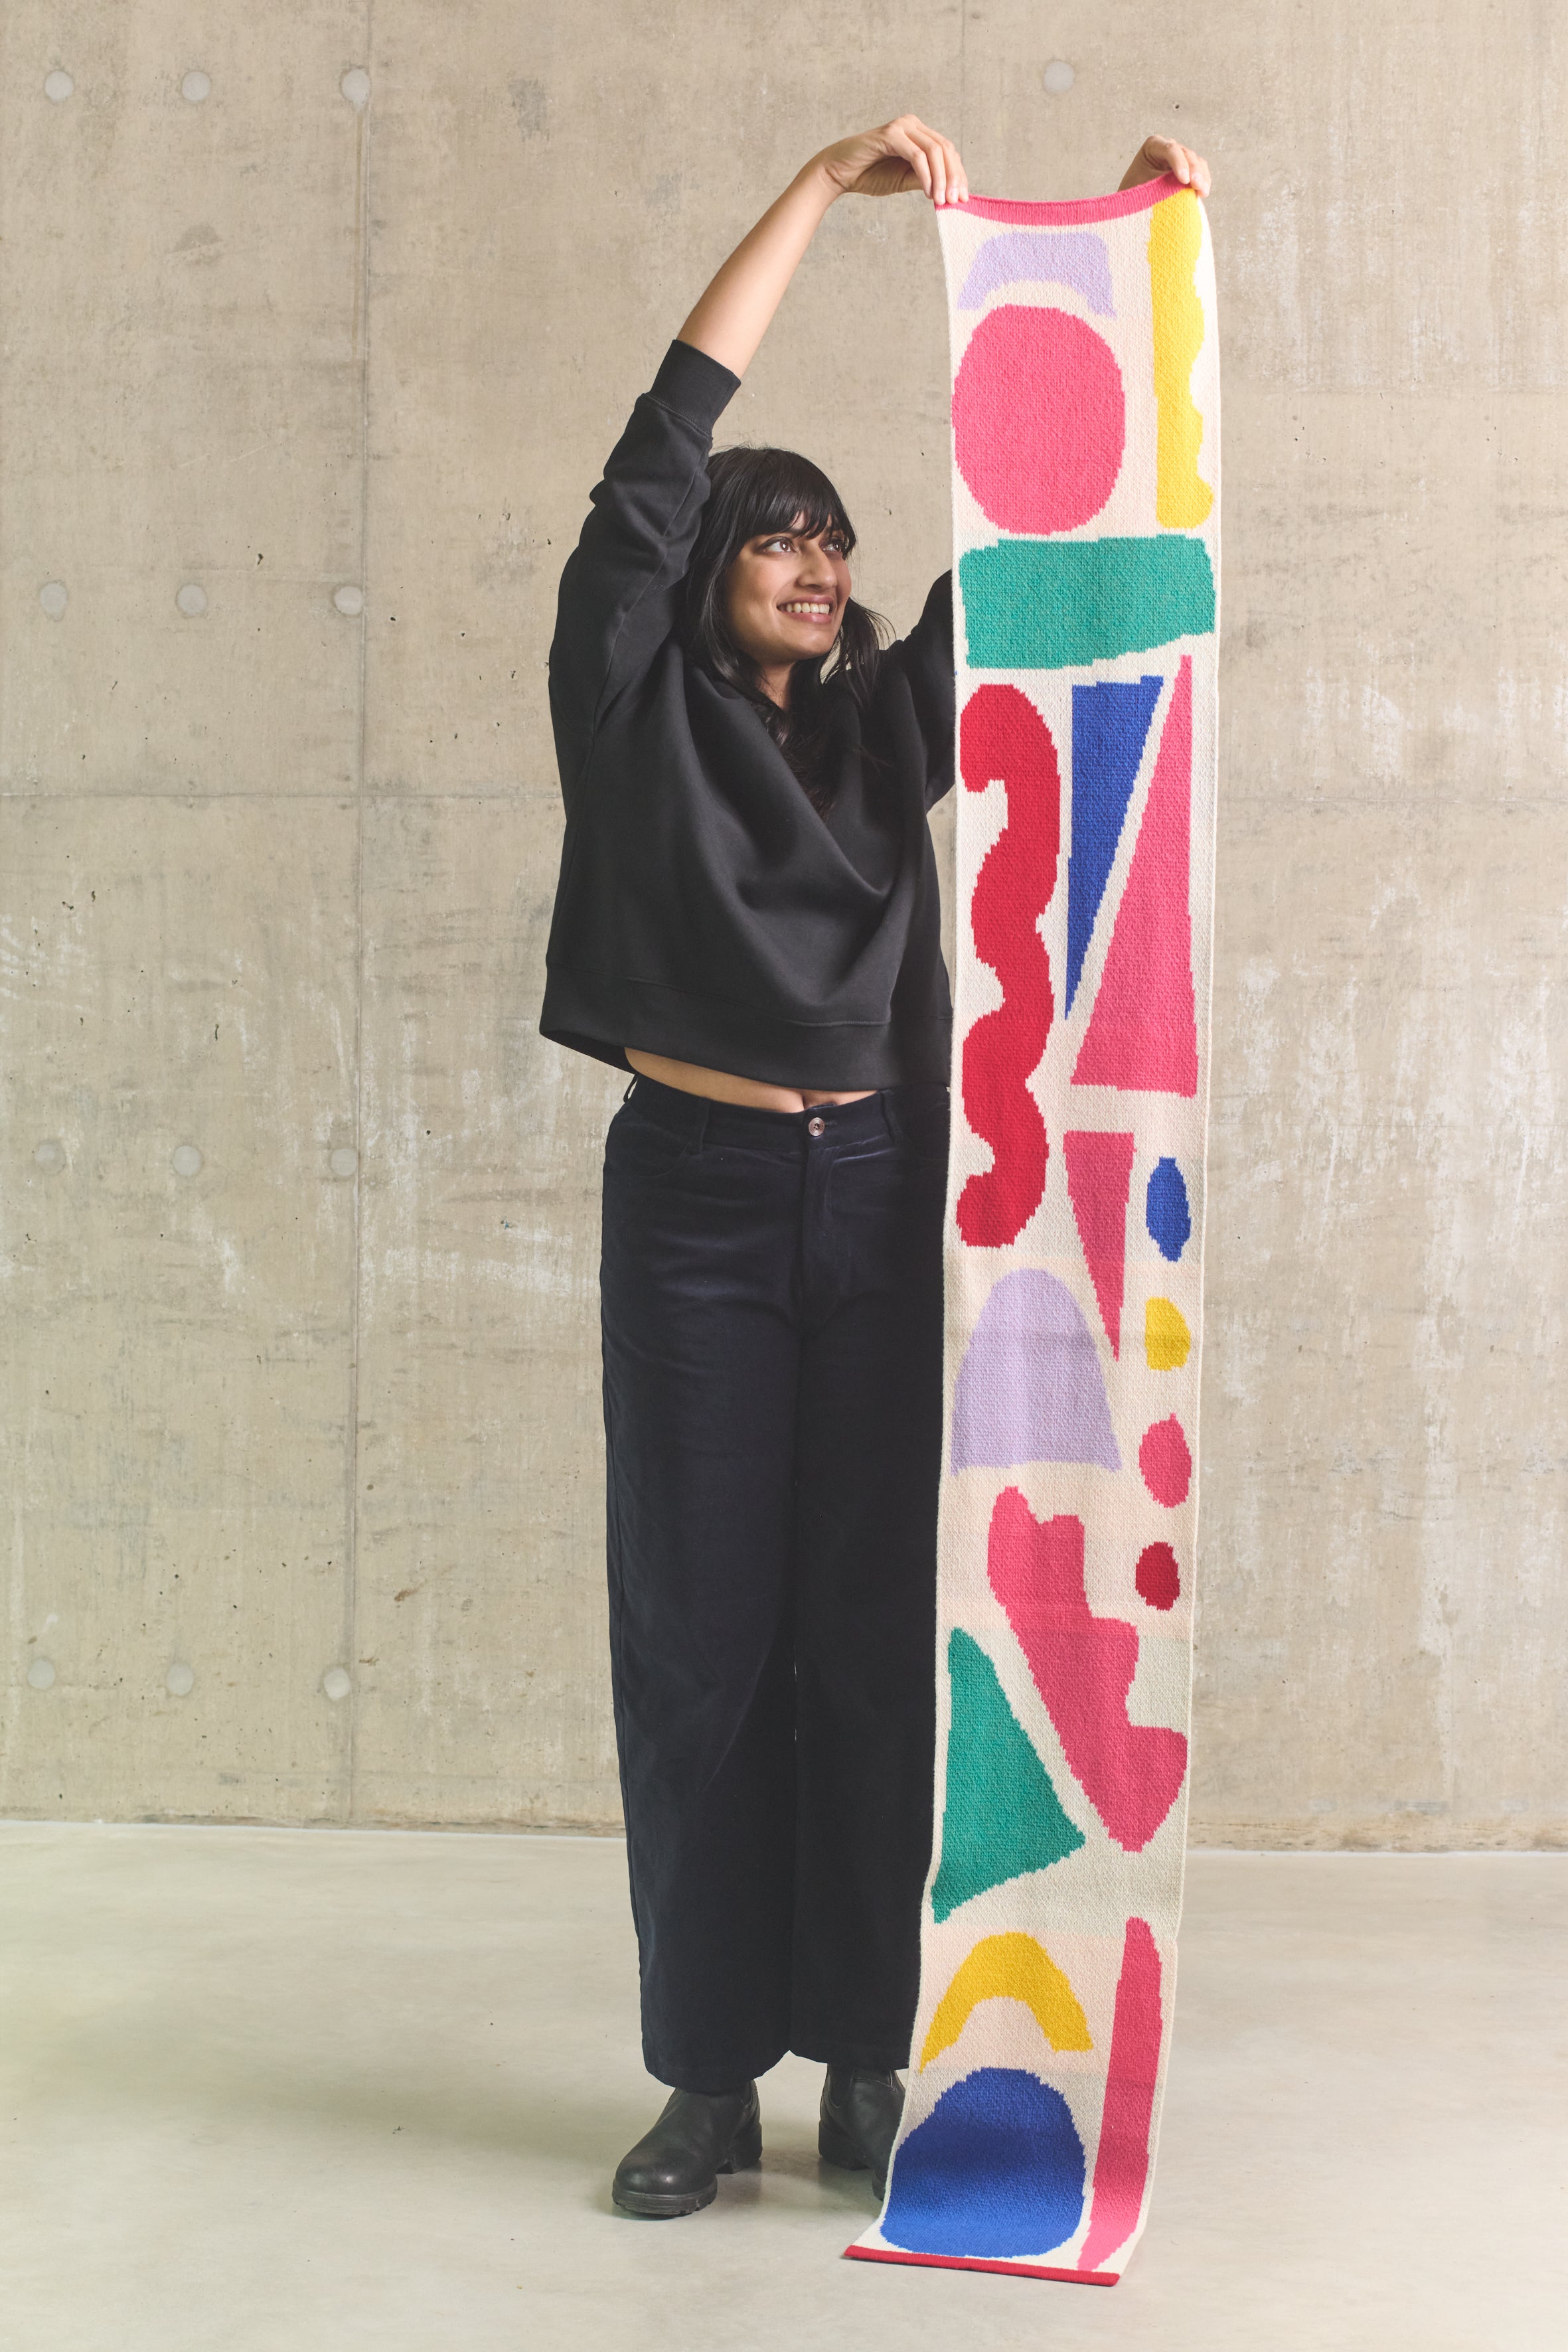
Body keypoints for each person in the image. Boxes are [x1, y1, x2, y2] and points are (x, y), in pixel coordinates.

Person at [540, 116, 1214, 2220]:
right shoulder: (629, 697)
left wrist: (1129, 240)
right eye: (779, 537)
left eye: (838, 543)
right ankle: (704, 2082)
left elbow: (1053, 544)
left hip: (877, 1203)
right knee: (698, 1642)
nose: (819, 567)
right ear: (705, 563)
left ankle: (858, 2054)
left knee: (858, 1636)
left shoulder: (877, 733)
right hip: (699, 1210)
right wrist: (821, 197)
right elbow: (663, 433)